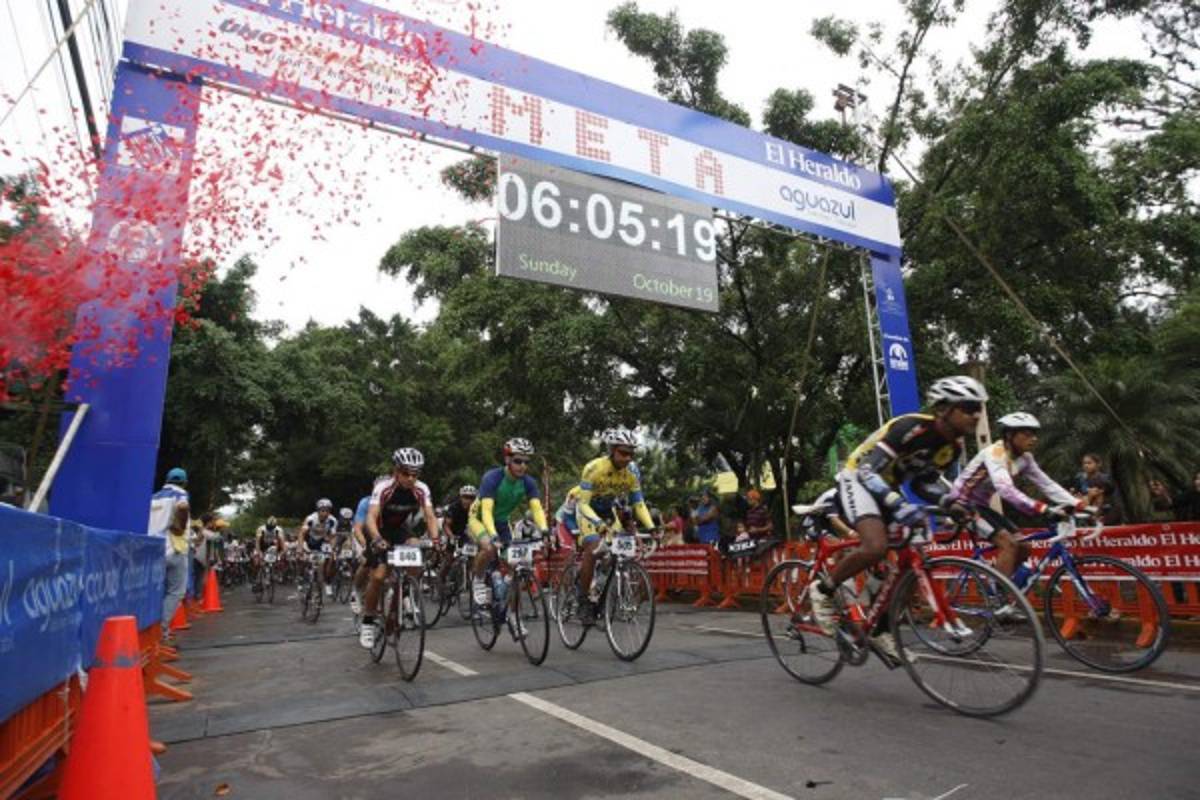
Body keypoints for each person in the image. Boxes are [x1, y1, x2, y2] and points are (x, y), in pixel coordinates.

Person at [809, 375, 985, 662]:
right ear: (944, 409)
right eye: (967, 407)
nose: (975, 414)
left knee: (912, 563)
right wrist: (897, 504)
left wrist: (948, 503)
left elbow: (922, 484)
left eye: (978, 408)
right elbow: (867, 471)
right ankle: (823, 589)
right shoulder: (911, 427)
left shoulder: (953, 447)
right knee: (875, 546)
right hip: (858, 477)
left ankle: (880, 629)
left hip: (889, 486)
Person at [948, 411, 1086, 586]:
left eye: (1034, 434)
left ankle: (1004, 585)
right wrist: (1042, 508)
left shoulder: (1025, 458)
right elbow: (1006, 490)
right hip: (962, 504)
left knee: (1025, 546)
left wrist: (1077, 503)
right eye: (1027, 434)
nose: (1034, 439)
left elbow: (1046, 484)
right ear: (1009, 435)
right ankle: (1000, 595)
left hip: (981, 506)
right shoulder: (995, 453)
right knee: (1009, 544)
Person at [572, 427, 657, 624]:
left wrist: (652, 528)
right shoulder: (594, 468)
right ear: (612, 450)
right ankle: (583, 600)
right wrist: (598, 524)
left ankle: (601, 587)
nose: (628, 458)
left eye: (631, 454)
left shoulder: (632, 471)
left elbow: (639, 503)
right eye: (623, 453)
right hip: (588, 512)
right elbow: (583, 504)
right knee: (593, 548)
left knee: (618, 553)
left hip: (609, 513)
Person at [360, 448, 440, 648]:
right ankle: (368, 621)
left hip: (399, 530)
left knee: (415, 553)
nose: (411, 478)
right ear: (396, 471)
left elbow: (430, 516)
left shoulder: (421, 489)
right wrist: (377, 539)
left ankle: (406, 592)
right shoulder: (383, 487)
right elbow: (371, 516)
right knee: (378, 576)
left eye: (415, 474)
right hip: (378, 529)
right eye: (406, 473)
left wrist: (436, 540)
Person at [469, 438, 550, 630]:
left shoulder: (528, 482)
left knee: (518, 567)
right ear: (507, 459)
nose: (523, 466)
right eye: (518, 461)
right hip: (479, 519)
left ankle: (513, 615)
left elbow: (537, 509)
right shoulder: (492, 477)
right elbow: (486, 511)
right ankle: (478, 580)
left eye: (526, 462)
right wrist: (493, 535)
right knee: (489, 547)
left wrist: (545, 530)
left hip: (502, 522)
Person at [148, 467, 190, 643]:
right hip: (174, 548)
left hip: (152, 549)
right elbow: (183, 506)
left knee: (156, 591)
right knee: (176, 592)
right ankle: (162, 630)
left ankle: (150, 633)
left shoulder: (153, 497)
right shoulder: (180, 493)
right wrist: (180, 526)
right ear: (184, 482)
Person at [300, 498, 338, 596]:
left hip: (321, 542)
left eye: (327, 511)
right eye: (322, 511)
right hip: (309, 540)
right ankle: (301, 578)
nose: (325, 513)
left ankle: (327, 582)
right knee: (303, 559)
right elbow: (302, 533)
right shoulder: (310, 519)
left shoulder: (333, 520)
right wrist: (300, 548)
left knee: (330, 559)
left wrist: (333, 548)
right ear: (318, 511)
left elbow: (333, 536)